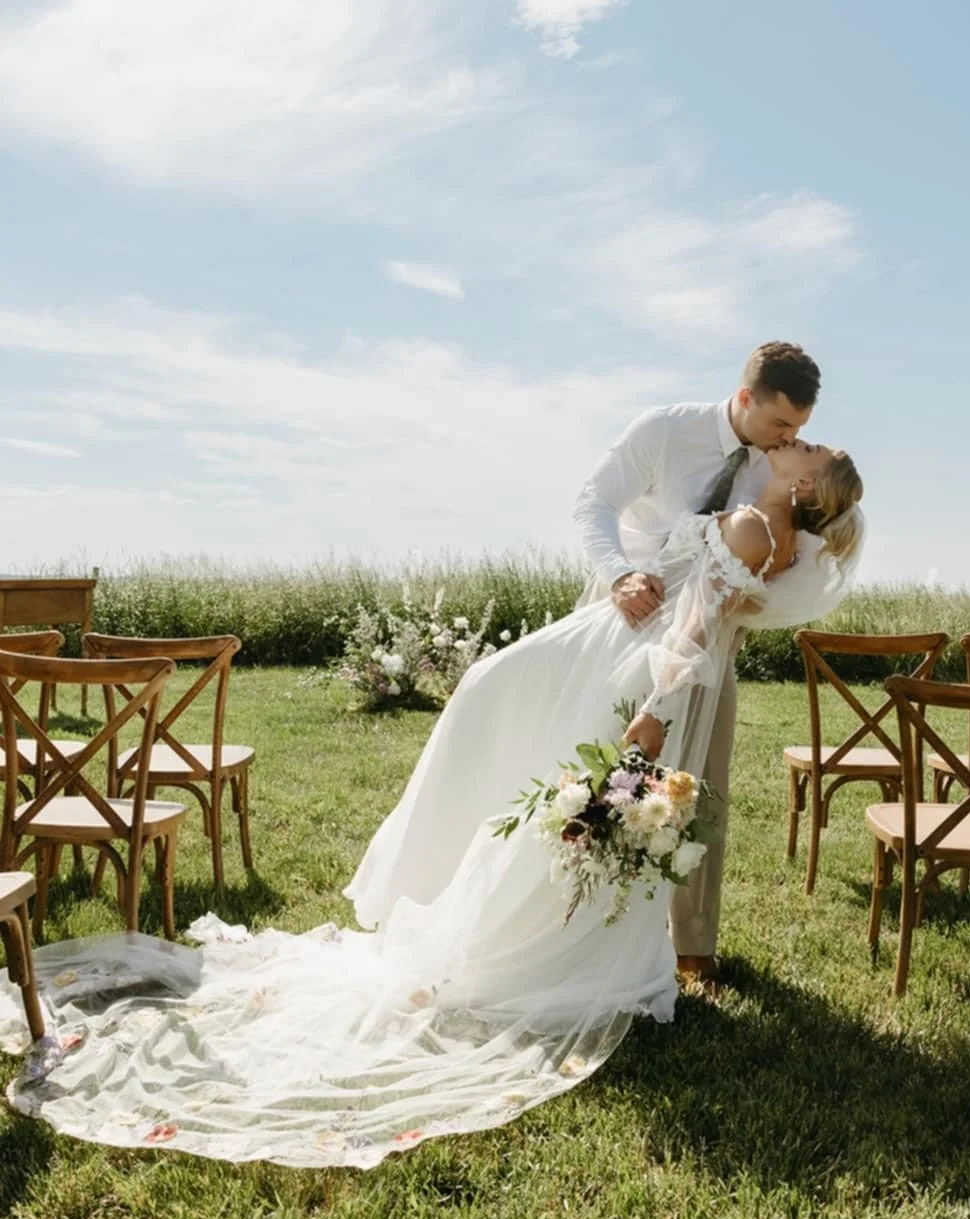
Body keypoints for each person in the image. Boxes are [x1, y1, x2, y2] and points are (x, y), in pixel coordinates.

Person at [0, 438, 863, 1170]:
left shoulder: (753, 527)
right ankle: (525, 913)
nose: (800, 443)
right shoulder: (782, 544)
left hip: (619, 660)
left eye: (809, 450)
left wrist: (649, 708)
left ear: (801, 486)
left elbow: (693, 629)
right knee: (562, 778)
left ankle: (508, 934)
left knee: (513, 718)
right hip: (628, 657)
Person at [573, 341, 862, 990]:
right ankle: (593, 916)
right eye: (780, 425)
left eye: (798, 431)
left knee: (704, 784)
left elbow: (801, 528)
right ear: (744, 400)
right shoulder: (662, 431)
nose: (786, 438)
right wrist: (619, 575)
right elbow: (592, 503)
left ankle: (693, 946)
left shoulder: (779, 468)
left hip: (704, 638)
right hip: (627, 614)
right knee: (606, 763)